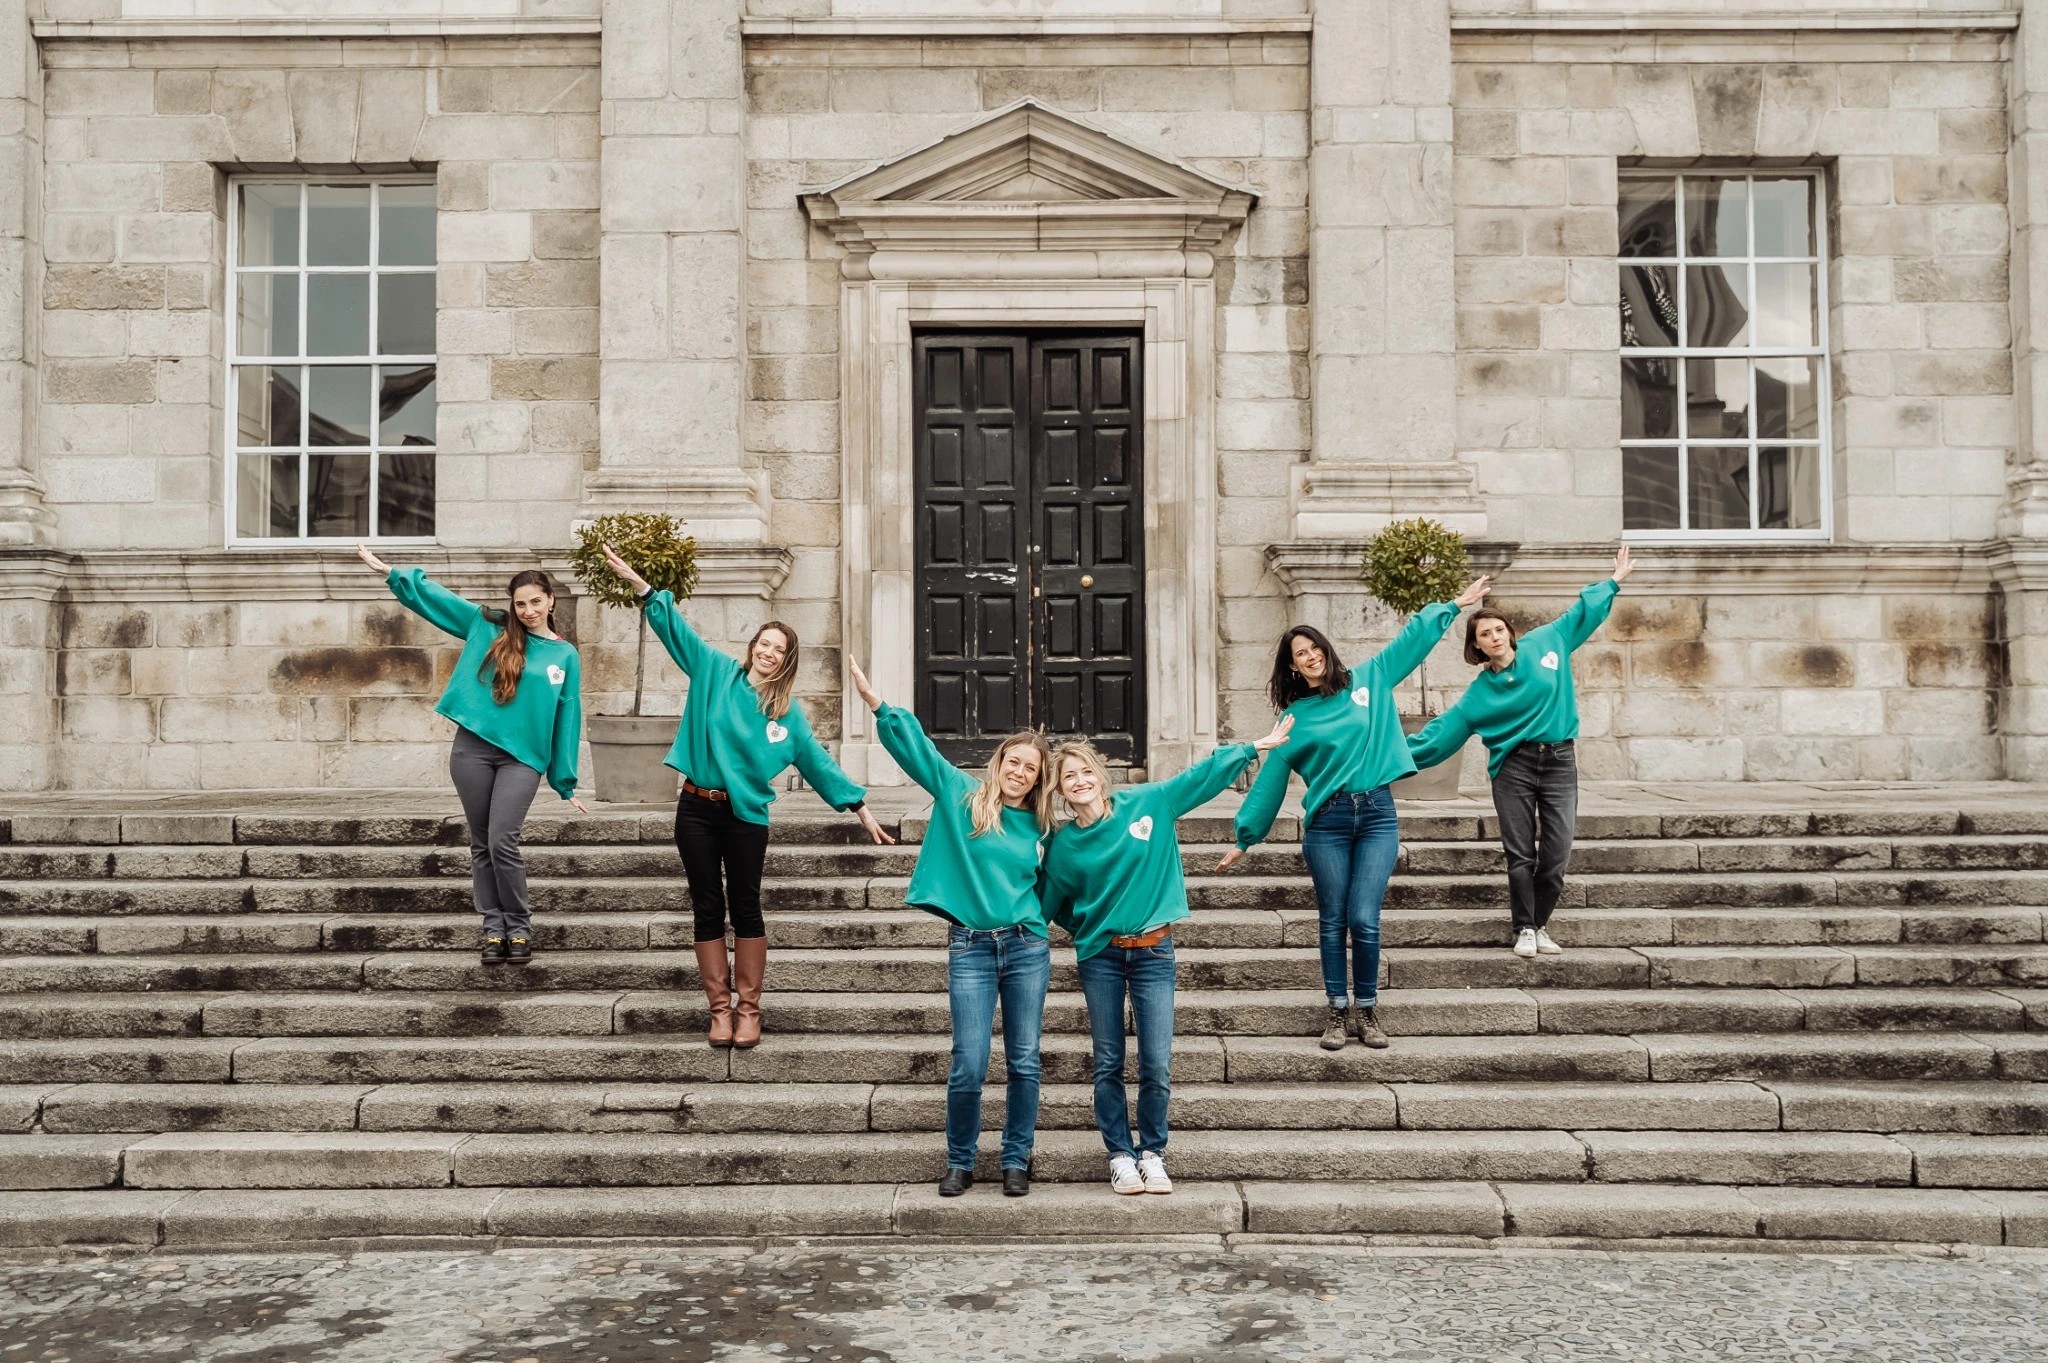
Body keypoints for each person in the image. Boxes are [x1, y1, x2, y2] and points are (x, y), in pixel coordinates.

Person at [599, 544, 893, 1050]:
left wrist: (860, 808)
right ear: (753, 645)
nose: (768, 652)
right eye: (764, 643)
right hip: (696, 808)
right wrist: (643, 588)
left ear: (786, 661)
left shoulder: (787, 715)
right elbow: (677, 634)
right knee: (707, 906)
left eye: (779, 649)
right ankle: (719, 1011)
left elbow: (818, 764)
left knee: (746, 906)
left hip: (746, 818)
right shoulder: (715, 672)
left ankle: (749, 1010)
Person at [1220, 576, 1493, 1052]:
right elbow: (1270, 782)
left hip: (1377, 815)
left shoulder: (1369, 679)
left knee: (1364, 918)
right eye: (1300, 653)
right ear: (1292, 666)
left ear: (1326, 650)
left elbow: (1411, 642)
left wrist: (1452, 605)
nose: (1310, 656)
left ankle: (1366, 1010)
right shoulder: (1295, 718)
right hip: (1327, 823)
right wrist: (1245, 837)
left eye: (1314, 647)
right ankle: (1336, 1011)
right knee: (1333, 919)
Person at [1041, 718, 1292, 1197]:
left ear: (1100, 775)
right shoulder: (1063, 846)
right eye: (1068, 776)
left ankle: (1152, 1153)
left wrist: (1248, 749)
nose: (1079, 781)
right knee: (1108, 1061)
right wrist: (1090, 925)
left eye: (1086, 771)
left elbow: (1197, 780)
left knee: (1156, 1062)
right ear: (1059, 789)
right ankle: (1120, 1155)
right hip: (1101, 958)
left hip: (1155, 953)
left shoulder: (1148, 802)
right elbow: (1050, 907)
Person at [847, 659, 1054, 1199]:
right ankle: (960, 1161)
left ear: (1038, 779)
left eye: (1030, 769)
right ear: (999, 762)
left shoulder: (1044, 826)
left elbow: (1064, 881)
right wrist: (878, 705)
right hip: (972, 949)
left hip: (1027, 947)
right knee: (969, 1062)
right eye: (1014, 762)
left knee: (1024, 1061)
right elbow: (919, 753)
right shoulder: (962, 795)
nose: (1019, 773)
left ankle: (1016, 1159)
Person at [356, 545, 588, 966]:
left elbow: (567, 716)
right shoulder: (489, 627)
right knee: (481, 843)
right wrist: (393, 573)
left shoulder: (565, 654)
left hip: (522, 759)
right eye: (521, 604)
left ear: (551, 600)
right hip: (473, 751)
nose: (529, 611)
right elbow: (439, 601)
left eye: (536, 601)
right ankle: (493, 929)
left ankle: (519, 927)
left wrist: (564, 781)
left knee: (502, 840)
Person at [1409, 548, 1635, 959]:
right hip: (1513, 768)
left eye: (1499, 629)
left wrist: (1613, 581)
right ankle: (1526, 928)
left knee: (1556, 853)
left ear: (1510, 632)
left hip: (1559, 762)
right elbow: (1439, 736)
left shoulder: (1547, 641)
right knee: (1520, 854)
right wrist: (1382, 754)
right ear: (1476, 647)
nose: (1494, 637)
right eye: (1485, 634)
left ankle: (1540, 922)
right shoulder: (1480, 694)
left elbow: (1582, 614)